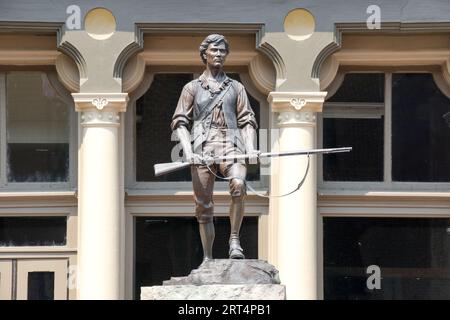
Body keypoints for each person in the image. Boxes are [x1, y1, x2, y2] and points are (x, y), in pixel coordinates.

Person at [171, 34, 259, 263]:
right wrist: (188, 152)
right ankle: (208, 259)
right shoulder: (191, 88)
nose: (219, 54)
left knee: (238, 184)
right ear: (205, 54)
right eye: (214, 51)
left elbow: (247, 120)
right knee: (204, 206)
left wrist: (250, 148)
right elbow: (180, 122)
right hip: (203, 148)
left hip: (232, 145)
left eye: (222, 51)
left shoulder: (236, 88)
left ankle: (234, 239)